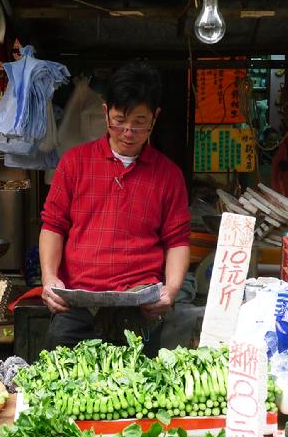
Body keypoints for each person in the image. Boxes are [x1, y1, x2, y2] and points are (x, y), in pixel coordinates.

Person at [40, 61, 190, 357]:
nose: (128, 131)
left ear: (155, 118)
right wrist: (49, 278)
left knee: (139, 397)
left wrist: (169, 291)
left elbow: (178, 240)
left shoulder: (168, 175)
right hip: (77, 304)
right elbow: (53, 225)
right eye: (119, 120)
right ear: (106, 110)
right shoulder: (74, 163)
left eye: (139, 121)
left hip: (139, 307)